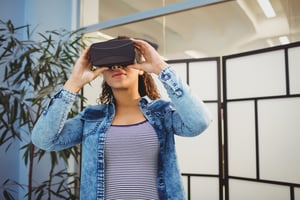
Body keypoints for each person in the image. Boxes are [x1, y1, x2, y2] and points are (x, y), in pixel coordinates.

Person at [31, 37, 212, 200]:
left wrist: (161, 68)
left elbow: (199, 122)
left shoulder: (162, 113)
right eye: (109, 63)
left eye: (124, 60)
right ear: (102, 72)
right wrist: (73, 83)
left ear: (141, 69)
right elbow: (43, 139)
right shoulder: (91, 118)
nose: (116, 67)